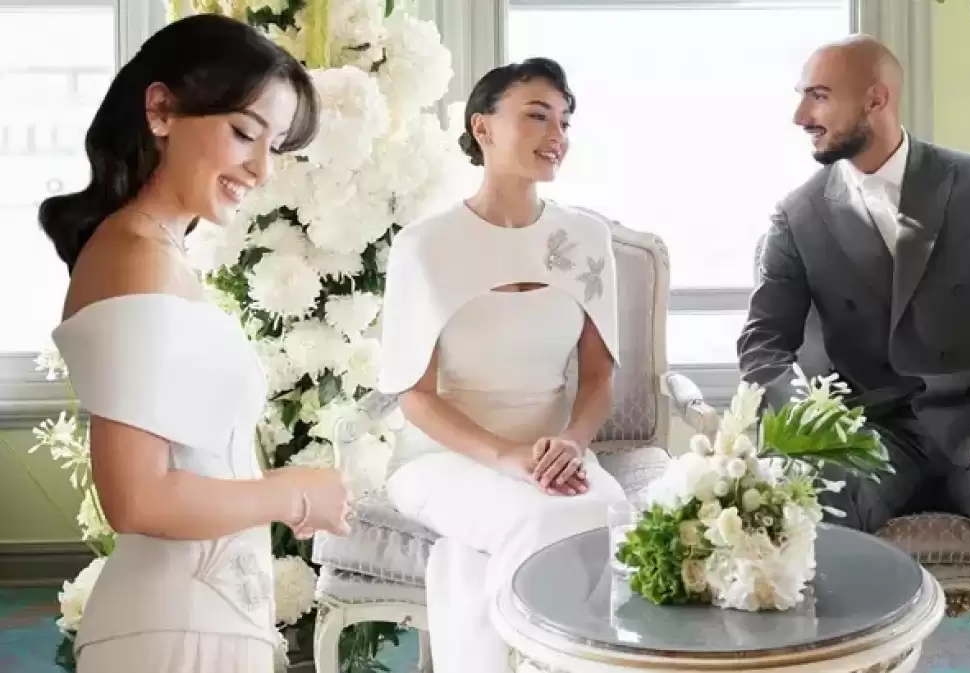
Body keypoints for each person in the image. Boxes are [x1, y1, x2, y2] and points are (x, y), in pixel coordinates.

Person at [737, 35, 970, 673]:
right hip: (868, 437)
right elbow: (763, 343)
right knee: (808, 487)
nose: (800, 116)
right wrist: (810, 420)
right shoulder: (797, 217)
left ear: (876, 100)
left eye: (818, 97)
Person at [41, 14, 352, 673]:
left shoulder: (158, 254)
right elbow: (136, 497)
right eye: (243, 133)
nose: (261, 169)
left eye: (275, 146)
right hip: (173, 634)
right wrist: (294, 493)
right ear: (161, 110)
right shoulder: (136, 257)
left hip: (202, 622)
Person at [376, 57, 627, 673]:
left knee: (606, 512)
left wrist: (571, 443)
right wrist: (505, 456)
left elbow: (599, 377)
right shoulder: (424, 246)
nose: (557, 135)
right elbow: (415, 396)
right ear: (482, 127)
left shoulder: (586, 240)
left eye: (564, 121)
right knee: (539, 519)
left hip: (554, 454)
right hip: (442, 457)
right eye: (537, 116)